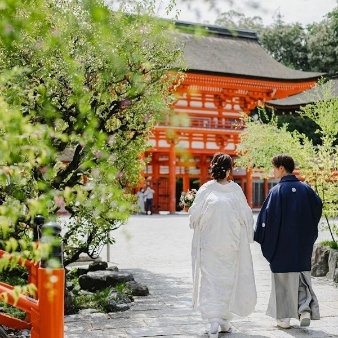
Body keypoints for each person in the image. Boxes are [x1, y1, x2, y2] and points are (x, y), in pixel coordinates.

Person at [188, 152, 256, 338]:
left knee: (210, 281)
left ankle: (215, 320)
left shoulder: (206, 189)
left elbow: (194, 216)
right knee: (227, 281)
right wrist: (250, 235)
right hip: (230, 244)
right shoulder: (235, 190)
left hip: (209, 244)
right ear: (228, 171)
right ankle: (222, 320)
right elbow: (246, 215)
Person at [254, 154, 322, 329]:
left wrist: (263, 238)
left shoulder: (276, 192)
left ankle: (284, 319)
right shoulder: (306, 189)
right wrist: (306, 233)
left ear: (281, 168)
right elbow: (317, 208)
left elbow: (266, 221)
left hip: (282, 246)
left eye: (274, 168)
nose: (273, 171)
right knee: (302, 276)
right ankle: (305, 309)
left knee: (283, 281)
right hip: (302, 245)